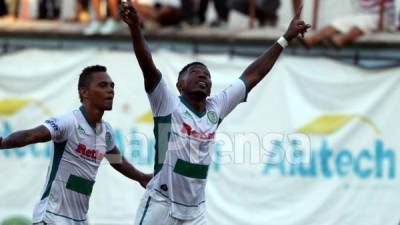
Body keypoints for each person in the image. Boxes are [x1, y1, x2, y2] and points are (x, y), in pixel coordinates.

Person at [120, 1, 309, 224]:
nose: (203, 76)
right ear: (180, 85)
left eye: (207, 75)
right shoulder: (167, 104)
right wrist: (134, 28)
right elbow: (147, 65)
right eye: (195, 72)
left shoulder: (215, 108)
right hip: (162, 205)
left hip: (195, 213)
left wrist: (284, 39)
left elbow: (252, 75)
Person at [0, 65, 152, 225]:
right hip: (52, 216)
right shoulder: (69, 122)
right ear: (84, 92)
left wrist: (140, 177)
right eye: (103, 85)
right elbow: (32, 135)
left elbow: (116, 160)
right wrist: (3, 143)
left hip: (78, 220)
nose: (110, 90)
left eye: (112, 86)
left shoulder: (105, 131)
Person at [299, 0, 395, 48]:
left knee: (363, 24)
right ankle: (313, 39)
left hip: (383, 17)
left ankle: (342, 39)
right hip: (362, 15)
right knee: (338, 22)